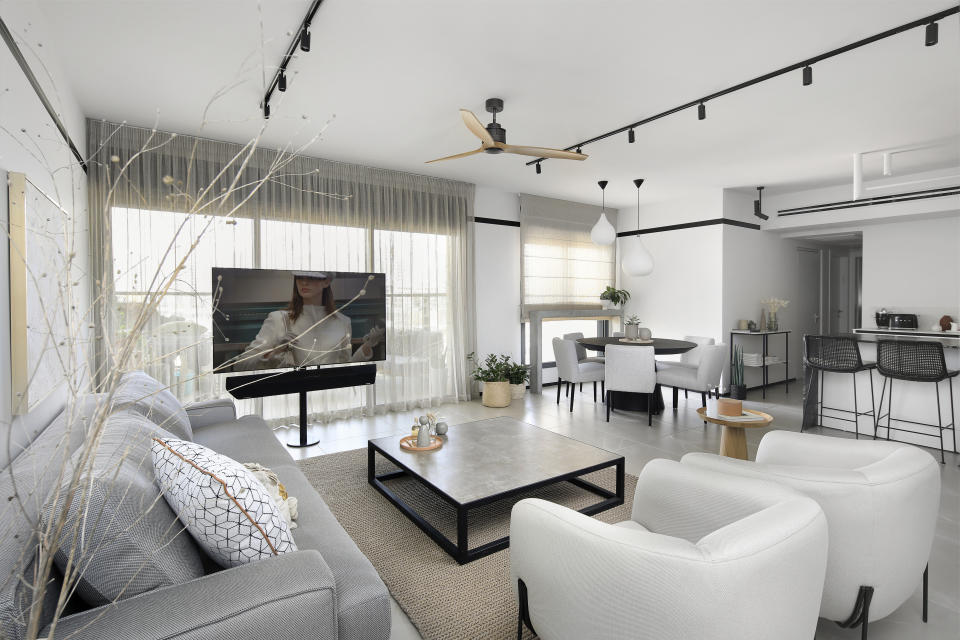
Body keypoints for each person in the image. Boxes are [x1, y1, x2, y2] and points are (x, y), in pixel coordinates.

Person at [232, 271, 384, 371]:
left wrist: (367, 346)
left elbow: (345, 369)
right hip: (291, 398)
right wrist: (275, 351)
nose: (304, 282)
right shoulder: (278, 319)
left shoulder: (343, 322)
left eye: (312, 277)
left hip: (329, 399)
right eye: (300, 277)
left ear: (327, 281)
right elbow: (240, 366)